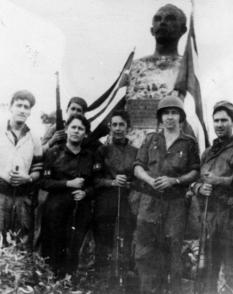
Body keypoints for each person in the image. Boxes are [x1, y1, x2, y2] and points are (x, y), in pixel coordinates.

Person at [133, 95, 200, 294]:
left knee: (173, 254)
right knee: (145, 253)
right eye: (166, 113)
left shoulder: (188, 143)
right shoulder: (150, 139)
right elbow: (137, 167)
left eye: (174, 113)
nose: (170, 117)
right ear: (160, 118)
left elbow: (195, 170)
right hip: (150, 203)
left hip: (175, 205)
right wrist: (150, 180)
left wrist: (175, 181)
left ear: (180, 117)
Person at [124, 4, 188, 148]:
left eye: (170, 19)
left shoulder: (187, 67)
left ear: (183, 30)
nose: (163, 22)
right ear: (152, 30)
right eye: (158, 19)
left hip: (171, 147)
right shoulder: (134, 66)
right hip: (133, 146)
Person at [40, 114, 94, 278]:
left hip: (79, 210)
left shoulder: (89, 156)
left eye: (81, 129)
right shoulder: (53, 153)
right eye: (74, 127)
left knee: (73, 249)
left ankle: (69, 283)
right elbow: (43, 182)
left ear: (85, 133)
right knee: (54, 250)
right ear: (66, 129)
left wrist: (85, 193)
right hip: (55, 209)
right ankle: (52, 283)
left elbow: (95, 183)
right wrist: (67, 184)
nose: (77, 131)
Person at [190, 101, 233, 294]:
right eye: (216, 121)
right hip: (209, 219)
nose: (219, 124)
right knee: (207, 271)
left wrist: (218, 180)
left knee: (230, 270)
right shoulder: (207, 152)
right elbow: (195, 179)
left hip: (230, 218)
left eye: (224, 120)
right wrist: (199, 188)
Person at [93, 110, 138, 287]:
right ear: (110, 127)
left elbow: (139, 178)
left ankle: (123, 282)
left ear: (128, 128)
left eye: (122, 125)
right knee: (103, 243)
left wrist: (128, 184)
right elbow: (95, 180)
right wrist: (112, 182)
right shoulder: (102, 151)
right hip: (105, 202)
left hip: (127, 202)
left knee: (125, 240)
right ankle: (102, 283)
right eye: (114, 125)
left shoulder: (136, 152)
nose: (118, 129)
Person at [0, 90, 43, 249]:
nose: (22, 110)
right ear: (11, 107)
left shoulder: (34, 137)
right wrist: (2, 174)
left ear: (30, 111)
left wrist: (28, 178)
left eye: (27, 106)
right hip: (1, 194)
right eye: (19, 105)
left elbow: (38, 168)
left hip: (22, 197)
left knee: (21, 241)